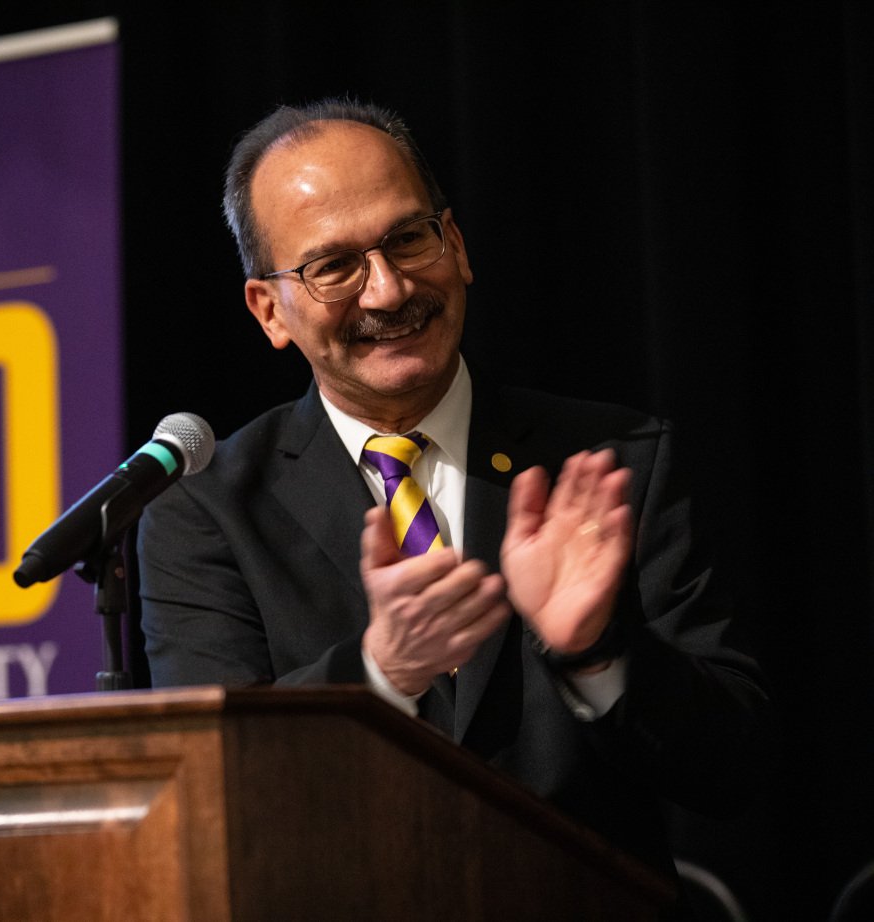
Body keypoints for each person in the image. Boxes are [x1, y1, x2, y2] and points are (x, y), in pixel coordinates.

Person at [135, 98, 770, 883]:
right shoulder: (205, 513)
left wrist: (595, 652)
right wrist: (377, 676)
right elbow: (211, 795)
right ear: (270, 310)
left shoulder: (615, 462)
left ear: (456, 245)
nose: (388, 291)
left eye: (407, 239)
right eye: (333, 266)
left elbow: (733, 771)